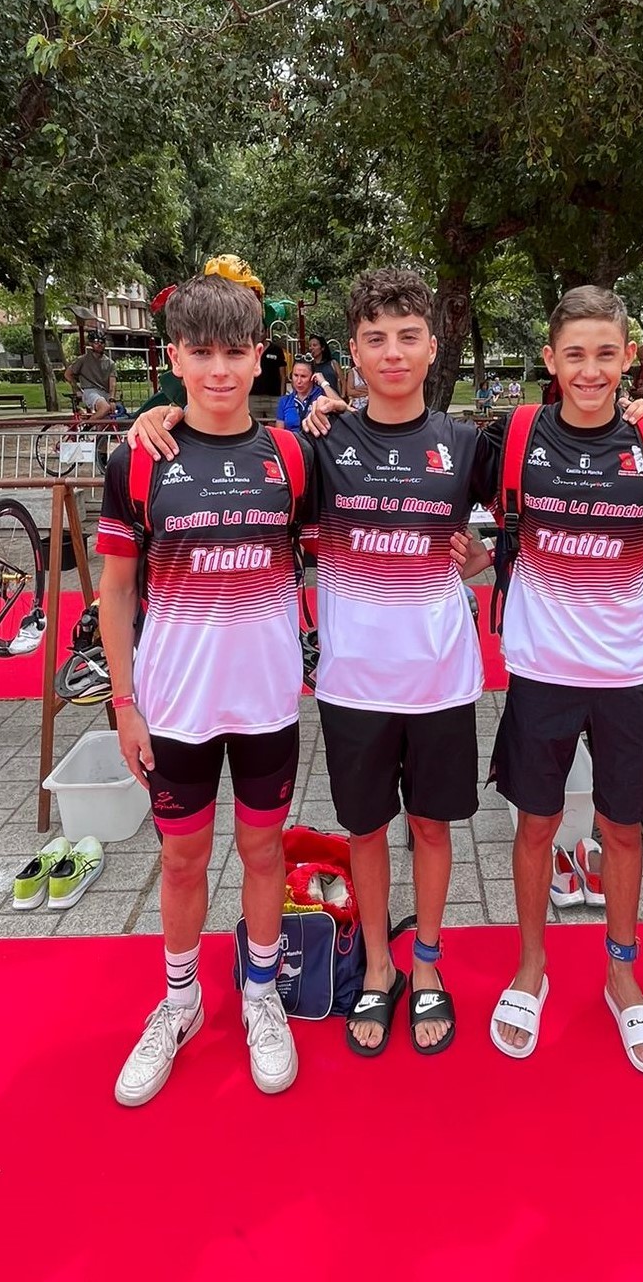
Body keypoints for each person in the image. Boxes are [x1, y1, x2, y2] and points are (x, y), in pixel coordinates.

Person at [132, 268, 495, 1060]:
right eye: (375, 339)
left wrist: (483, 558)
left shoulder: (468, 443)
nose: (392, 353)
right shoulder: (319, 444)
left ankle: (427, 963)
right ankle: (377, 966)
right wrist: (158, 414)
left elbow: (533, 512)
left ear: (434, 347)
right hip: (352, 680)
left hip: (441, 677)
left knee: (431, 826)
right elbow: (223, 441)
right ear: (352, 354)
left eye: (408, 337)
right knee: (365, 828)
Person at [98, 273, 311, 1106]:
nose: (219, 370)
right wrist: (123, 704)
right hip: (174, 708)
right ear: (174, 359)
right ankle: (180, 1001)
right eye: (202, 352)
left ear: (260, 357)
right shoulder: (140, 458)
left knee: (263, 852)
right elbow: (115, 590)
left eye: (235, 352)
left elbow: (338, 545)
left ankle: (261, 993)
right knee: (182, 860)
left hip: (266, 703)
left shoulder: (291, 457)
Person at [458, 287, 643, 1072]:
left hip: (628, 671)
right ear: (550, 359)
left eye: (605, 354)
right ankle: (532, 966)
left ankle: (621, 973)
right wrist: (322, 414)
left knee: (622, 829)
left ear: (630, 359)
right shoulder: (515, 436)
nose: (590, 370)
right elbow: (416, 469)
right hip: (541, 670)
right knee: (536, 826)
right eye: (574, 355)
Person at [65, 326, 117, 418]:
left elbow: (112, 384)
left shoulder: (110, 363)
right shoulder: (83, 360)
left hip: (104, 392)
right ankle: (87, 426)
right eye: (96, 342)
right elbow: (68, 374)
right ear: (91, 343)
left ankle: (95, 425)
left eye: (102, 342)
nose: (99, 345)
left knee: (110, 415)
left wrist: (112, 399)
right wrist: (77, 389)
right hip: (90, 391)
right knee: (105, 408)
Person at [276, 357, 322, 430]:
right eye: (295, 375)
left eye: (303, 376)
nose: (298, 381)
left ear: (313, 377)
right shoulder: (284, 401)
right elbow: (279, 432)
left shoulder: (321, 396)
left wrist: (323, 383)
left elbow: (340, 406)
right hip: (291, 437)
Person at [251, 332, 288, 419]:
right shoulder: (249, 350)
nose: (259, 333)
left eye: (261, 330)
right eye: (257, 330)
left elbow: (283, 376)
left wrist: (282, 397)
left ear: (266, 332)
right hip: (253, 397)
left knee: (277, 424)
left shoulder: (276, 350)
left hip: (274, 397)